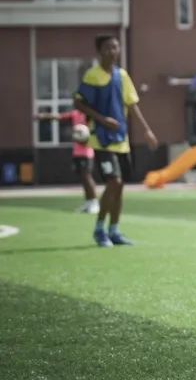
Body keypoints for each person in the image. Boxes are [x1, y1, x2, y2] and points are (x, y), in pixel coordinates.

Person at [74, 34, 158, 247]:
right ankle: (99, 229)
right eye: (107, 48)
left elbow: (132, 105)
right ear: (99, 51)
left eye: (115, 47)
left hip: (122, 140)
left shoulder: (122, 76)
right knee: (114, 182)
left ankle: (114, 230)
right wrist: (102, 120)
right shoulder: (92, 76)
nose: (112, 51)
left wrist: (147, 131)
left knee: (120, 188)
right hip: (102, 140)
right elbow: (79, 103)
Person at [33, 108, 99, 213]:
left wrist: (86, 137)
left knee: (87, 177)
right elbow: (59, 116)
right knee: (83, 178)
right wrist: (43, 116)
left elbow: (94, 131)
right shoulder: (75, 114)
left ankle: (95, 203)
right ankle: (88, 202)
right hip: (77, 152)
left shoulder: (89, 115)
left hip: (87, 152)